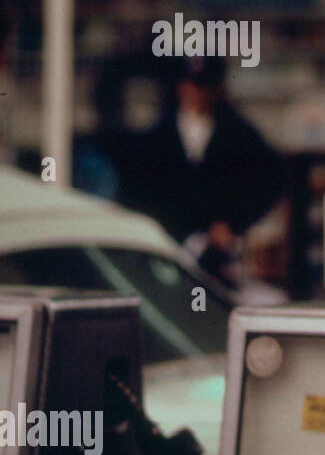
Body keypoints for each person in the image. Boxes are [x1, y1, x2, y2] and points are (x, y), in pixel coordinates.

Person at [115, 53, 285, 288]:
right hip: (167, 251)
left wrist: (233, 224)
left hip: (222, 257)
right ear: (180, 87)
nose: (197, 92)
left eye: (205, 85)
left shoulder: (239, 135)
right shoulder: (154, 140)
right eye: (191, 84)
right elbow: (135, 194)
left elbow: (270, 181)